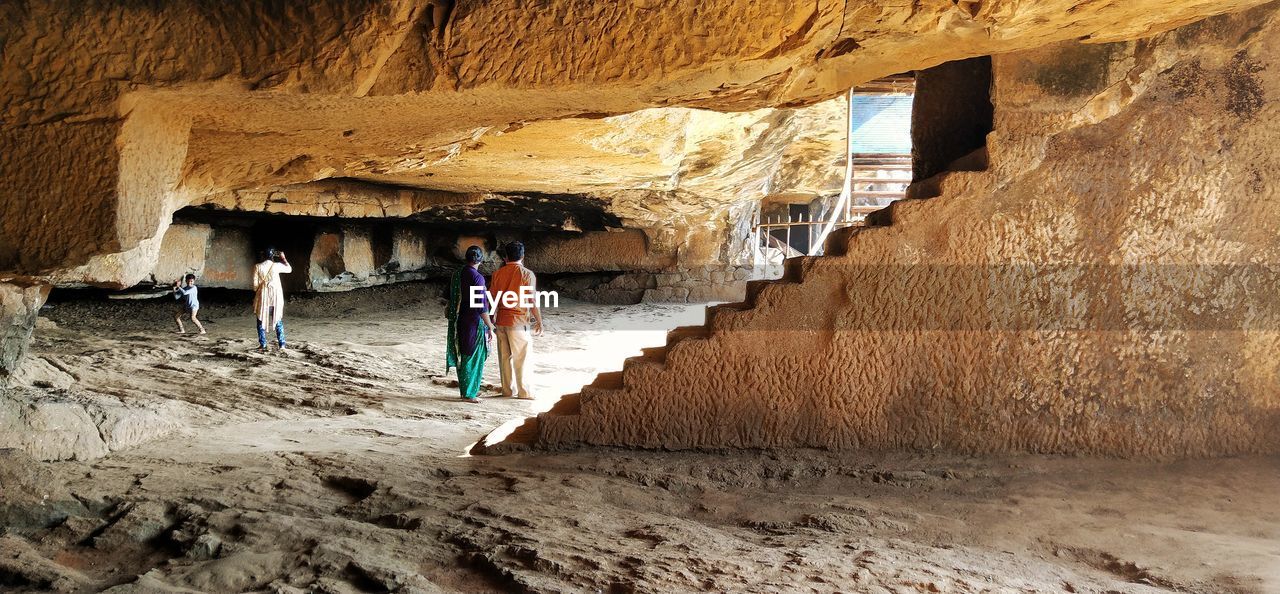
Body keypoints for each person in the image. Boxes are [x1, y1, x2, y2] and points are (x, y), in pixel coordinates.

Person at [490, 241, 544, 399]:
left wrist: (492, 317)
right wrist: (539, 321)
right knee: (522, 357)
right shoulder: (527, 274)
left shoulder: (497, 274)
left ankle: (507, 390)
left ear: (505, 257)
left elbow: (493, 298)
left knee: (505, 358)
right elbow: (531, 300)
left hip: (501, 320)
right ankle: (524, 392)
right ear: (523, 256)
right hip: (518, 321)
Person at [446, 246, 495, 403]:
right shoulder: (477, 278)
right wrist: (490, 326)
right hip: (473, 322)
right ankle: (469, 394)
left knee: (465, 353)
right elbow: (481, 306)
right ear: (480, 260)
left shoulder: (457, 274)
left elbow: (449, 297)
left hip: (459, 320)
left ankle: (469, 389)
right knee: (473, 356)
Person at [253, 247, 291, 352]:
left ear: (263, 255)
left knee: (260, 321)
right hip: (276, 297)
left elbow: (255, 286)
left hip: (263, 298)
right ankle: (282, 344)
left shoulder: (258, 267)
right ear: (272, 255)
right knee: (278, 320)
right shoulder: (277, 266)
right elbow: (289, 269)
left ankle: (263, 344)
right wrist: (283, 258)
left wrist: (262, 286)